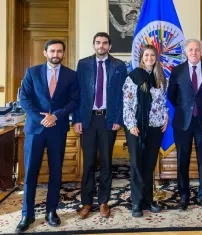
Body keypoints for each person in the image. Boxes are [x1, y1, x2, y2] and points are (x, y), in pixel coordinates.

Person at [16, 39, 79, 233]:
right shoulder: (32, 72)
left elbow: (75, 101)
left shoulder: (71, 75)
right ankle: (27, 214)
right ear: (45, 52)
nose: (56, 54)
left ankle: (51, 211)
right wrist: (41, 118)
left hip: (57, 129)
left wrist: (56, 116)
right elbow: (24, 99)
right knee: (31, 173)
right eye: (52, 51)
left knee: (56, 171)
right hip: (35, 129)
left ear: (63, 54)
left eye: (59, 51)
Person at [72, 32, 127, 219]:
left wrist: (118, 119)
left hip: (108, 119)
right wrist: (76, 119)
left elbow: (122, 95)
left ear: (110, 46)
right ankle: (86, 202)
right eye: (98, 42)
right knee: (88, 163)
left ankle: (104, 201)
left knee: (106, 161)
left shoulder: (119, 66)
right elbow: (77, 94)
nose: (101, 46)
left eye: (105, 43)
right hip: (87, 119)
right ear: (94, 44)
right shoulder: (83, 64)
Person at [168, 39, 202, 213]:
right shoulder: (177, 71)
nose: (194, 52)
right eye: (190, 49)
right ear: (185, 52)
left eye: (197, 49)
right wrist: (186, 109)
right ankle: (184, 196)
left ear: (201, 52)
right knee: (182, 160)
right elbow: (172, 96)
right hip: (183, 123)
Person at [123, 45, 168, 217]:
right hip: (137, 127)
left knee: (149, 165)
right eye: (146, 55)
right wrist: (131, 124)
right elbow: (126, 103)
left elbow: (162, 102)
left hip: (156, 127)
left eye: (152, 55)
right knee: (137, 164)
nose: (149, 58)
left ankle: (148, 200)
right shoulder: (133, 77)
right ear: (142, 57)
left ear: (156, 57)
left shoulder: (160, 77)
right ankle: (136, 203)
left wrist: (166, 116)